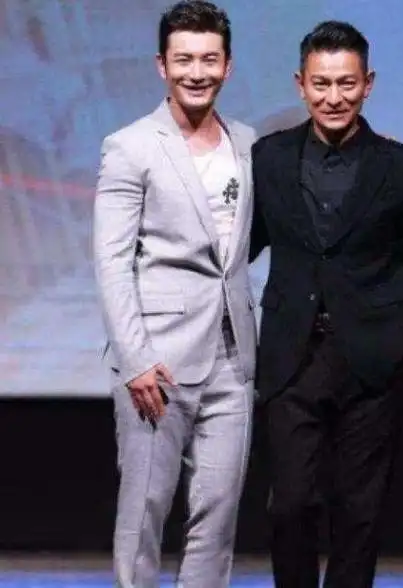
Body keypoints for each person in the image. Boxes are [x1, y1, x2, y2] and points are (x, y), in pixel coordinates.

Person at [250, 20, 403, 588]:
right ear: (301, 84)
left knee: (360, 510)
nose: (334, 97)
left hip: (374, 354)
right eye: (322, 83)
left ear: (368, 84)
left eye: (347, 83)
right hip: (292, 353)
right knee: (290, 505)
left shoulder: (401, 166)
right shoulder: (268, 158)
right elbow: (241, 244)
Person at [93, 2, 257, 586]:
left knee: (219, 516)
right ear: (161, 65)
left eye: (209, 60)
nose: (197, 72)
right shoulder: (130, 146)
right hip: (156, 361)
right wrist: (135, 358)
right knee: (144, 511)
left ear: (227, 66)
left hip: (233, 358)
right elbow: (112, 261)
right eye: (183, 59)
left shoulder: (247, 142)